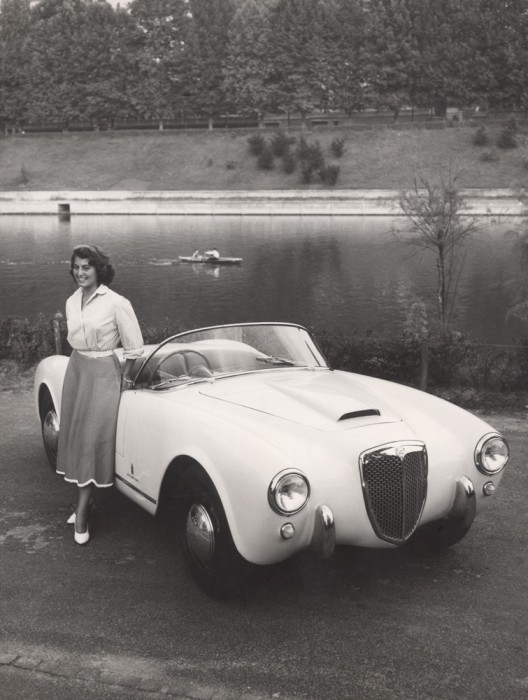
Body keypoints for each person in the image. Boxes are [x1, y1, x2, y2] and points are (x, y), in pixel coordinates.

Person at [56, 244, 143, 545]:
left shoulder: (117, 302)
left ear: (99, 270)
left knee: (94, 440)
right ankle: (87, 502)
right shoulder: (71, 301)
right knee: (76, 434)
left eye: (86, 267)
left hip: (104, 373)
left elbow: (133, 348)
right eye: (76, 267)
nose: (80, 272)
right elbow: (75, 340)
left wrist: (125, 379)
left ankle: (81, 512)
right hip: (77, 369)